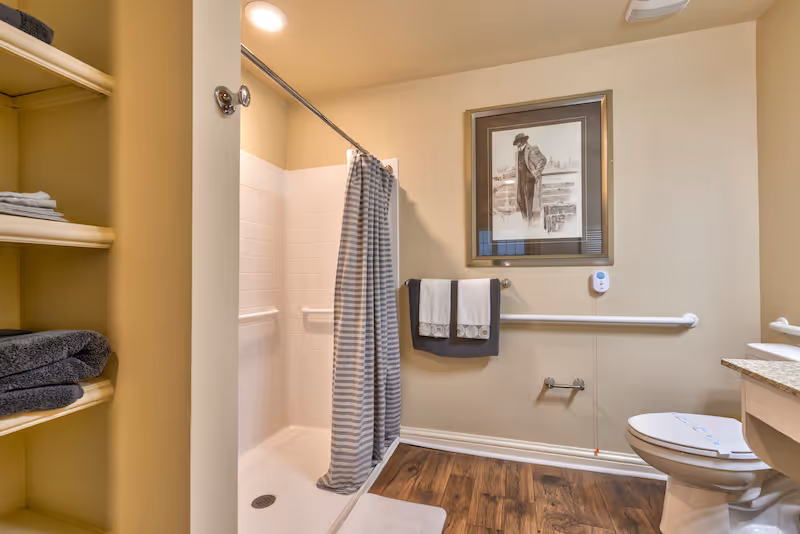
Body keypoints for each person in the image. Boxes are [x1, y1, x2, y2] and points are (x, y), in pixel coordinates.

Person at [513, 132, 547, 226]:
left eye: (517, 142)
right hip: (520, 181)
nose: (516, 145)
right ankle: (525, 221)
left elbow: (543, 160)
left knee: (529, 202)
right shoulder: (518, 153)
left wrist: (536, 172)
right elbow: (516, 167)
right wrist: (503, 176)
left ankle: (530, 223)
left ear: (522, 141)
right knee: (519, 200)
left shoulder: (532, 149)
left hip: (529, 180)